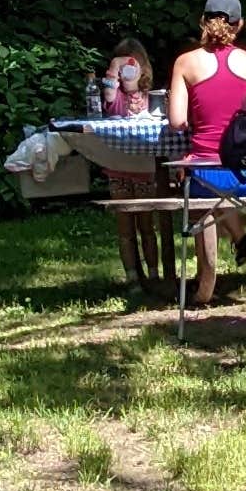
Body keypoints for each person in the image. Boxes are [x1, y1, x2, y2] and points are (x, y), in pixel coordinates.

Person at [167, 0, 246, 310]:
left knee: (202, 182)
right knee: (220, 183)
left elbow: (176, 121)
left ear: (202, 22)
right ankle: (241, 240)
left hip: (208, 173)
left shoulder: (186, 63)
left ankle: (205, 285)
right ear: (241, 25)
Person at [99, 33, 165, 296]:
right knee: (125, 228)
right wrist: (114, 69)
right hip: (118, 169)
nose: (127, 72)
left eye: (132, 66)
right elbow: (107, 94)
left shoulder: (151, 98)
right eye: (122, 68)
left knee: (147, 226)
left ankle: (153, 274)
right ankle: (132, 278)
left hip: (144, 170)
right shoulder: (114, 99)